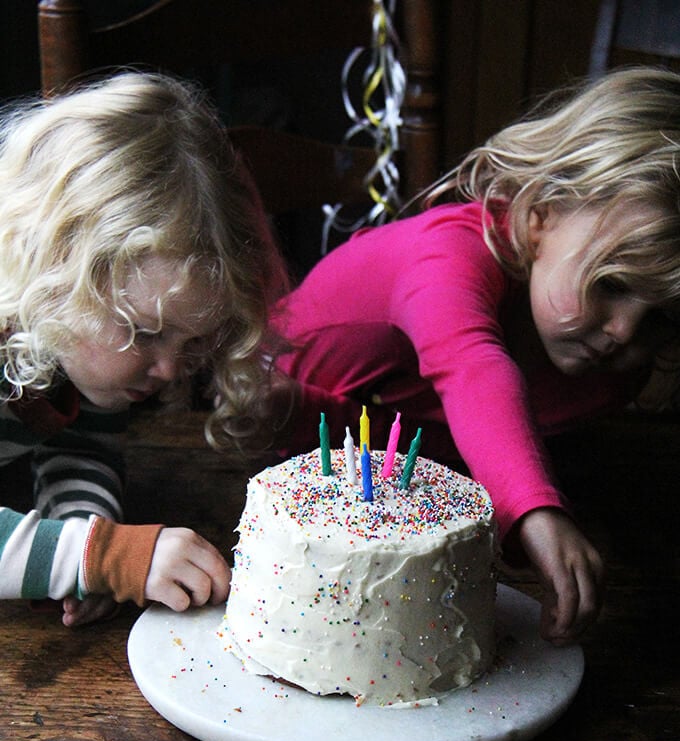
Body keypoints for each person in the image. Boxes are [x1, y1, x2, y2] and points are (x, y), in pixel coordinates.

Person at [269, 66, 680, 646]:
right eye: (611, 283)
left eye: (661, 316)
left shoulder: (606, 368)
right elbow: (472, 370)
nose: (623, 332)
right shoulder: (448, 254)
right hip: (283, 419)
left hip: (410, 465)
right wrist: (536, 510)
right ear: (541, 215)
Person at [0, 71, 285, 627]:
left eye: (195, 341)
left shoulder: (75, 351)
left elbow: (79, 445)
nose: (169, 369)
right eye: (145, 332)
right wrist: (106, 556)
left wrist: (86, 542)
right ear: (55, 270)